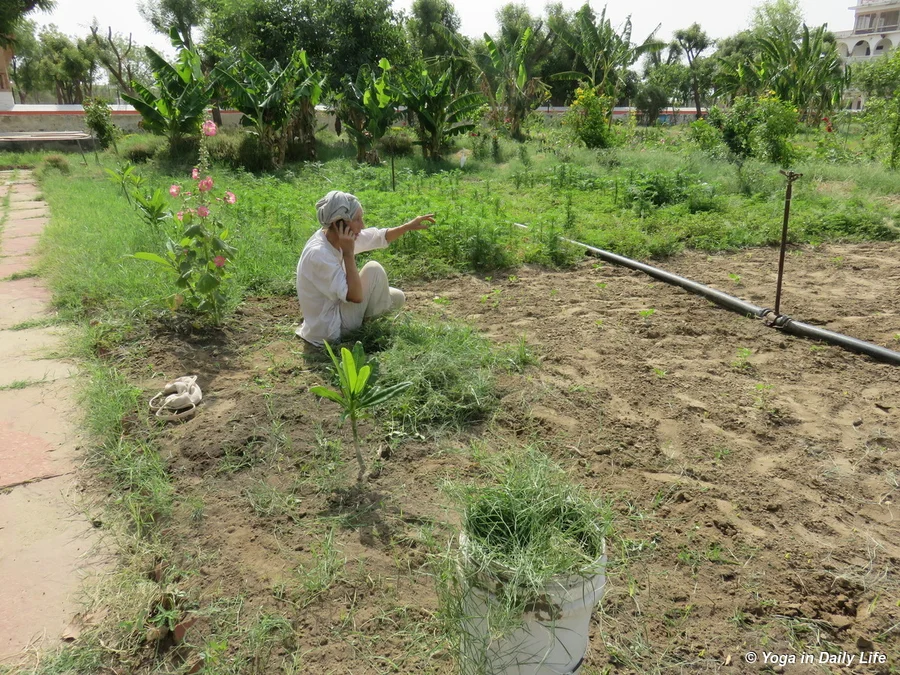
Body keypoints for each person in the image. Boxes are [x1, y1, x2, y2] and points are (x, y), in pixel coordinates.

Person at [295, 190, 434, 347]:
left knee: (397, 297)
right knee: (373, 269)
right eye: (357, 219)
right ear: (338, 223)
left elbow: (376, 237)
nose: (362, 225)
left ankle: (368, 326)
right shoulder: (319, 254)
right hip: (330, 329)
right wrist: (348, 253)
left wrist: (407, 227)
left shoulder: (334, 235)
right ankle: (371, 334)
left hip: (339, 311)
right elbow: (355, 296)